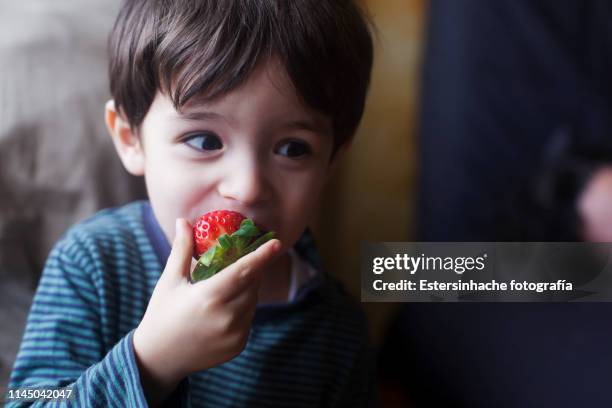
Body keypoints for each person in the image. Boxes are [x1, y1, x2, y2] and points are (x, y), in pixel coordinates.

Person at [7, 0, 374, 406]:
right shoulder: (92, 263)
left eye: (292, 148)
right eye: (204, 141)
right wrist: (152, 362)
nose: (247, 187)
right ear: (130, 139)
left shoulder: (337, 331)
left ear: (331, 163)